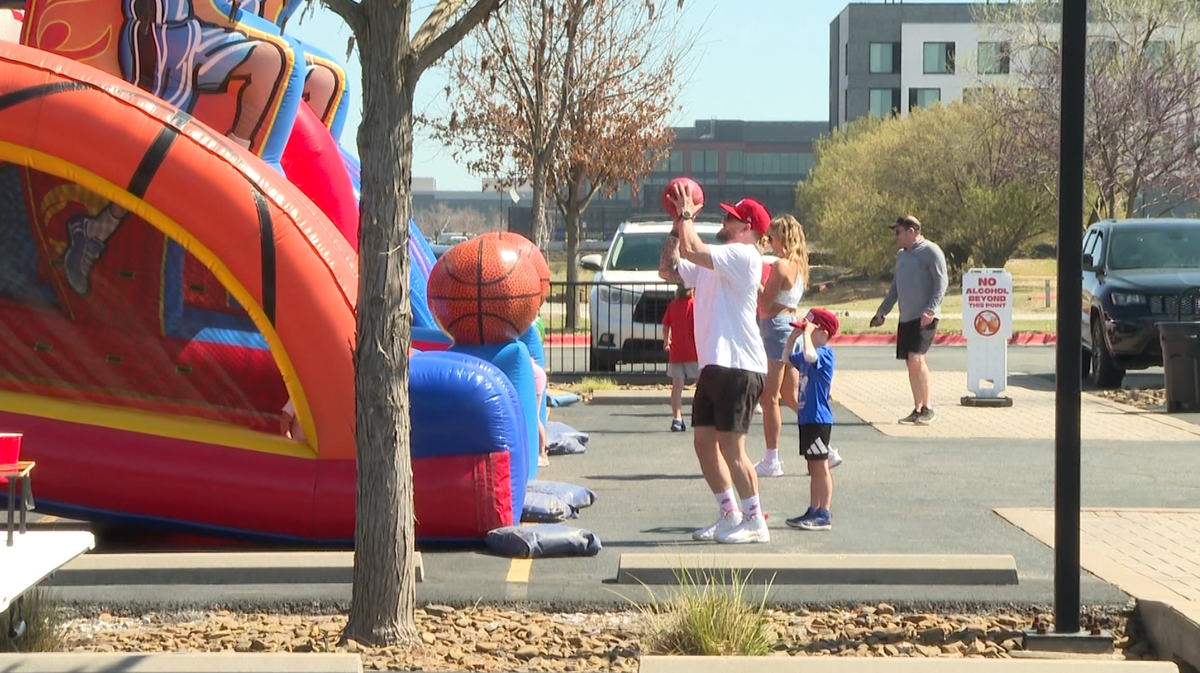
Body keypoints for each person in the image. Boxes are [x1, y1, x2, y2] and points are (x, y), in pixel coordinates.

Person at [61, 0, 289, 296]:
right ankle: (95, 231)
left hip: (194, 32)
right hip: (157, 31)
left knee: (270, 60)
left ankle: (229, 175)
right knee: (158, 146)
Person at [658, 185, 772, 545]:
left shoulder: (745, 256)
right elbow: (668, 269)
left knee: (732, 448)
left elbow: (693, 249)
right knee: (704, 442)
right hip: (714, 366)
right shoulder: (714, 260)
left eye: (731, 217)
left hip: (740, 365)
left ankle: (756, 521)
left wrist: (687, 215)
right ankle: (730, 513)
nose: (723, 219)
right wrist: (677, 226)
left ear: (748, 228)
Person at [752, 215, 841, 476]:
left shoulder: (780, 266)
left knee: (769, 397)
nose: (769, 240)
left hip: (776, 328)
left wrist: (754, 282)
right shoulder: (799, 266)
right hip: (789, 324)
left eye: (773, 235)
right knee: (791, 395)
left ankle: (772, 459)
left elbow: (765, 305)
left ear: (784, 237)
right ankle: (827, 449)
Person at [870, 215, 949, 425]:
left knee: (917, 358)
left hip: (925, 317)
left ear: (911, 231)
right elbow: (896, 287)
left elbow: (942, 283)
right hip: (906, 317)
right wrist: (882, 311)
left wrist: (931, 309)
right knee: (910, 362)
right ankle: (917, 408)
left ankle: (928, 407)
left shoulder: (931, 251)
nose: (896, 236)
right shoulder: (902, 256)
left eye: (898, 232)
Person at [784, 308, 839, 531]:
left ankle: (823, 513)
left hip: (818, 419)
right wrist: (793, 337)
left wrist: (807, 335)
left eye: (810, 330)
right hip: (807, 419)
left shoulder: (824, 354)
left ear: (822, 332)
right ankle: (813, 508)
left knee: (820, 467)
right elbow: (786, 358)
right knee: (812, 466)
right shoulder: (808, 356)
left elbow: (809, 355)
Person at [662, 285, 699, 432]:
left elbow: (666, 325)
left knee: (677, 386)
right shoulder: (695, 304)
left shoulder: (673, 305)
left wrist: (666, 340)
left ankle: (677, 418)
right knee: (700, 384)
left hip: (676, 351)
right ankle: (699, 415)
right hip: (693, 351)